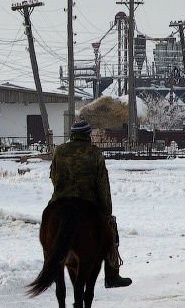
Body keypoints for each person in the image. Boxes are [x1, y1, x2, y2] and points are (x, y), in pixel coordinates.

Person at [48, 119, 132, 288]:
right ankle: (112, 276)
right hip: (88, 204)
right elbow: (103, 185)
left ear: (72, 135)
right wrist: (107, 213)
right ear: (88, 135)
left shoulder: (59, 151)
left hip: (60, 202)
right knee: (111, 233)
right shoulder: (94, 153)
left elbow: (53, 176)